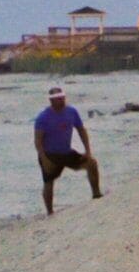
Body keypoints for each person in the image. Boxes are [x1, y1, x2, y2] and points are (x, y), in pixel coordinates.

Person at [35, 86, 104, 214]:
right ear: (51, 101)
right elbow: (38, 142)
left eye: (62, 98)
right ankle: (50, 211)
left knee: (91, 164)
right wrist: (44, 160)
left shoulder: (72, 112)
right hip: (50, 155)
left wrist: (87, 151)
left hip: (66, 152)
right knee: (48, 181)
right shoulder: (43, 118)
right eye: (57, 99)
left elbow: (81, 131)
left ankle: (96, 194)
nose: (61, 100)